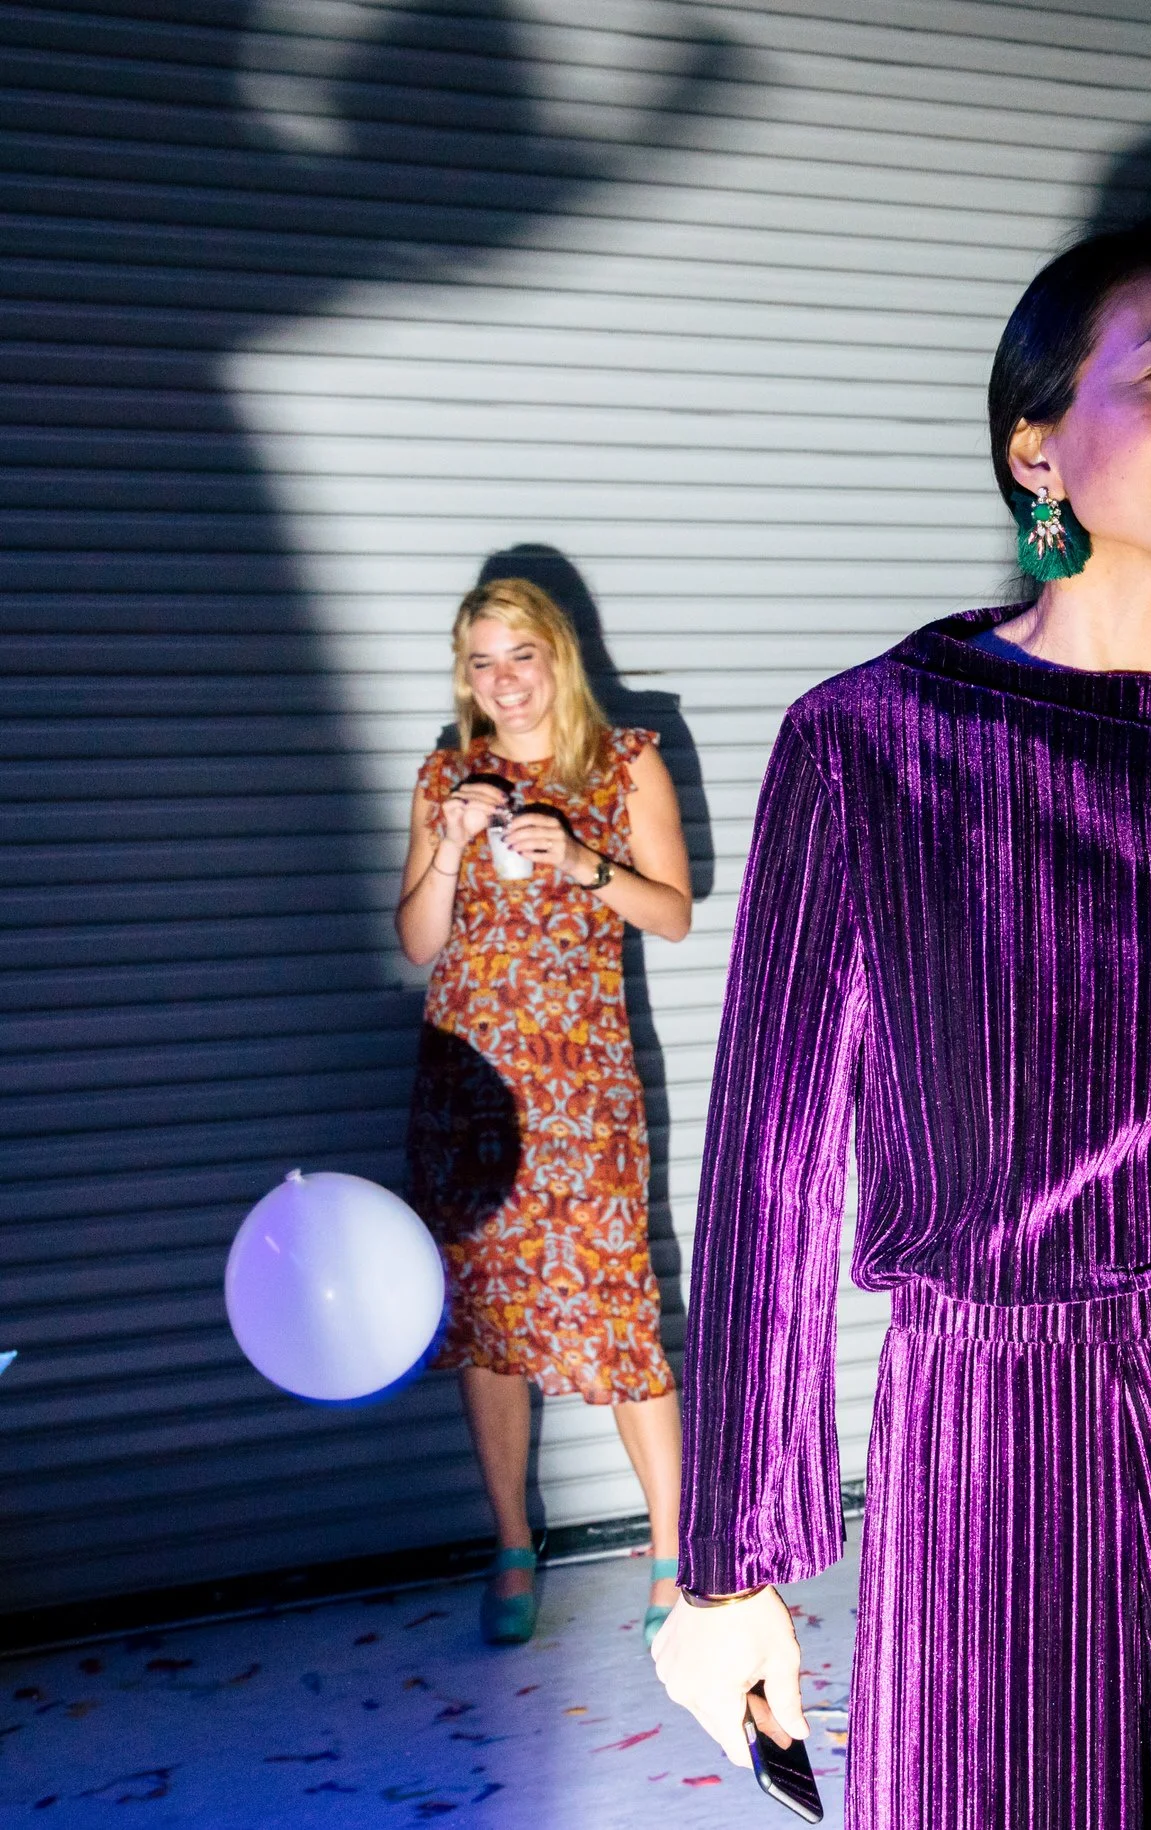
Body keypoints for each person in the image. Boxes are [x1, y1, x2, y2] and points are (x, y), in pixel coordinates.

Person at [652, 211, 1151, 1828]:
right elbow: (770, 1164)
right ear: (1038, 447)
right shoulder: (874, 745)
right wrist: (729, 1565)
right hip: (990, 1431)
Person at [395, 575, 696, 1647]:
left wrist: (580, 861)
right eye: (481, 661)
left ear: (556, 655)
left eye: (519, 654)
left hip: (583, 1090)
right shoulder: (445, 774)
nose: (503, 679)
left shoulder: (624, 763)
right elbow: (417, 943)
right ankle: (513, 1544)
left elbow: (673, 914)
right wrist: (446, 844)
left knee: (619, 1312)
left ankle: (673, 1555)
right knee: (488, 1325)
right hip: (467, 1092)